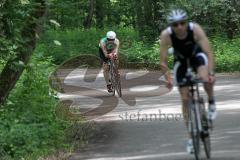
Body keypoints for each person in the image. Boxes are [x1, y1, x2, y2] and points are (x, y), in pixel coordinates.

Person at [159, 9, 217, 154]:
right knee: (185, 99)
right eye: (175, 24)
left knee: (205, 79)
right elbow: (163, 61)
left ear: (187, 22)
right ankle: (191, 138)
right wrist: (168, 78)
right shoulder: (166, 35)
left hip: (197, 56)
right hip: (181, 61)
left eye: (182, 23)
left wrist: (211, 73)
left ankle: (211, 103)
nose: (179, 26)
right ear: (171, 25)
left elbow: (209, 52)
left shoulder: (195, 29)